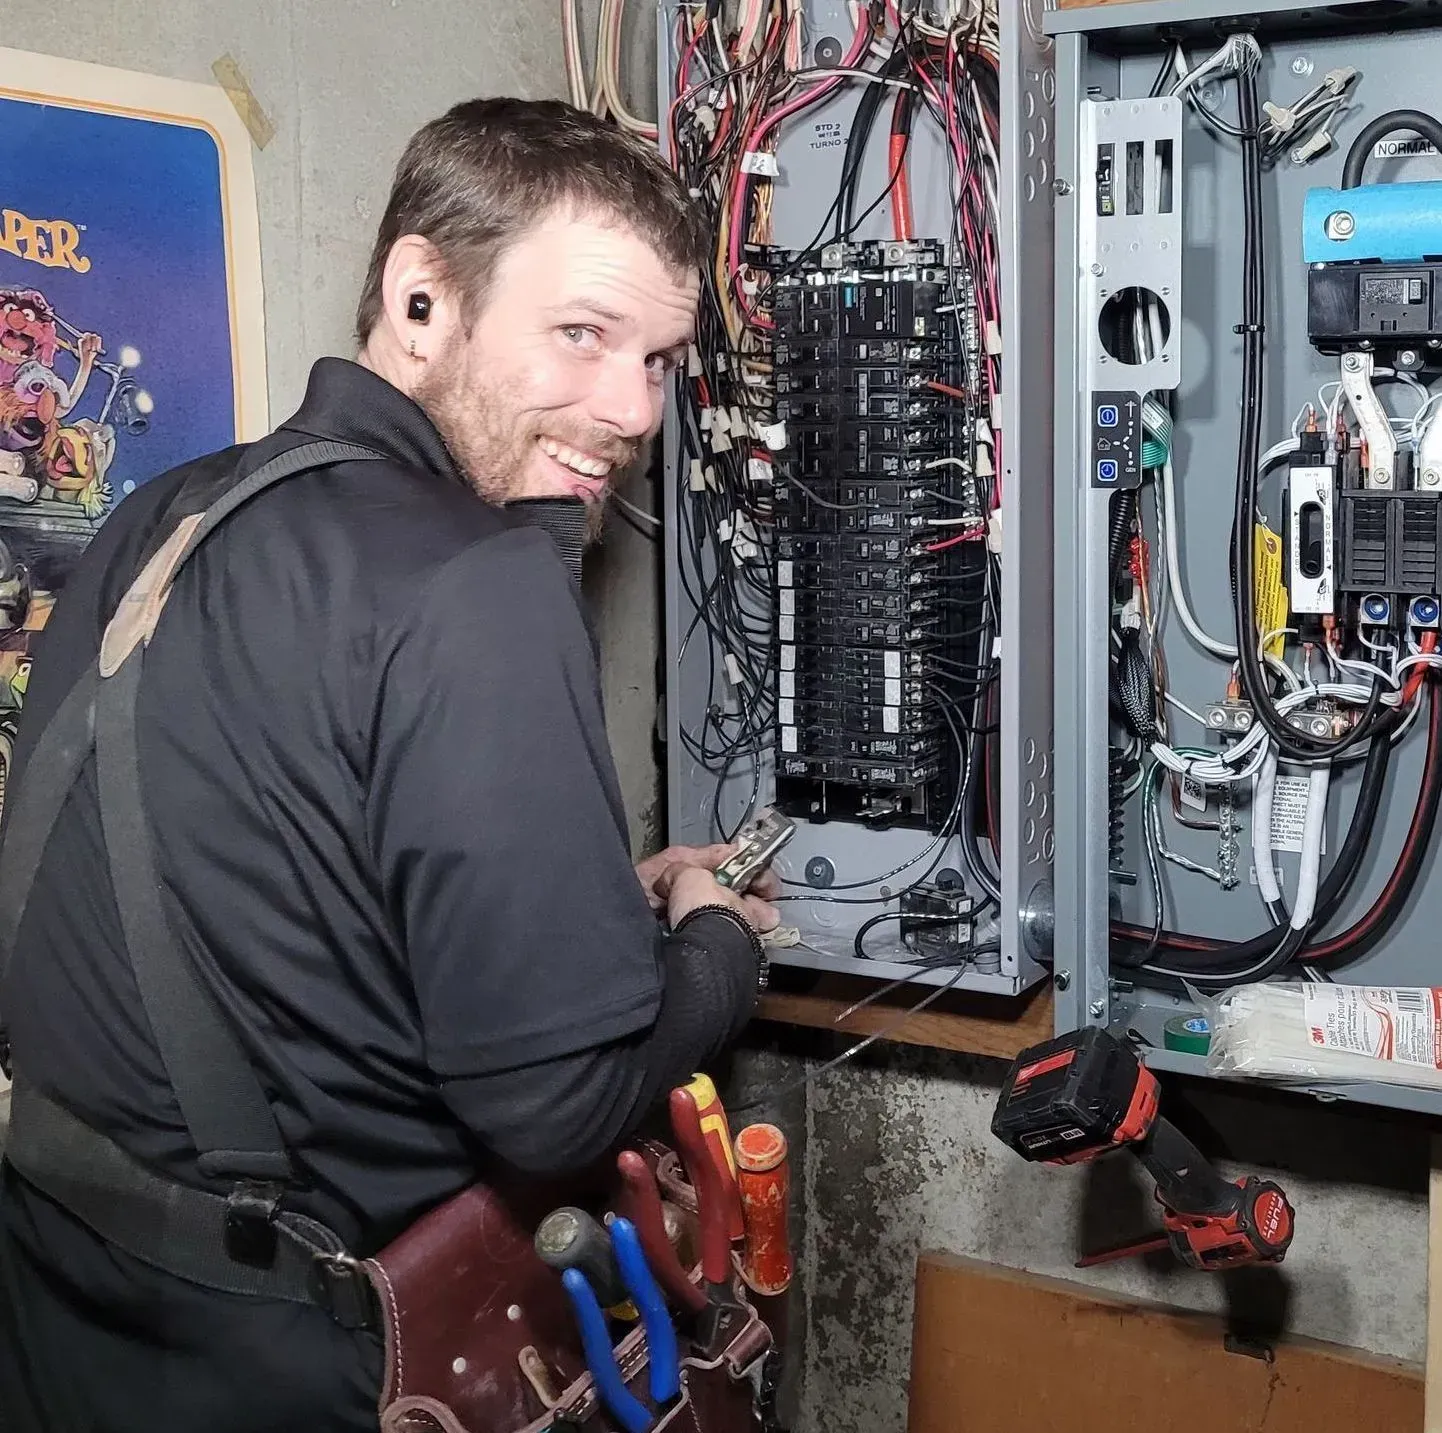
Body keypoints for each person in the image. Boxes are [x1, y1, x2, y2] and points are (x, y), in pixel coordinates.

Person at [0, 97, 780, 1433]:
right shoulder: (475, 585)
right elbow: (553, 1111)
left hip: (65, 1296)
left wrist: (593, 898)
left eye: (658, 360)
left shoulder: (165, 514)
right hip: (290, 1353)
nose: (630, 407)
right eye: (582, 337)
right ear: (422, 298)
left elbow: (270, 877)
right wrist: (710, 952)